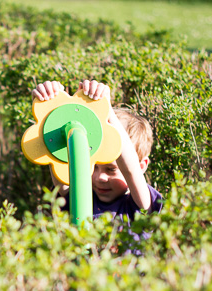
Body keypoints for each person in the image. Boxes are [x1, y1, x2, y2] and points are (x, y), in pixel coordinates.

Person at [31, 79, 163, 228]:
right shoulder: (79, 195)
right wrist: (49, 104)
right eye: (93, 166)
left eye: (111, 169)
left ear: (142, 166)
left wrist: (106, 110)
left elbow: (130, 170)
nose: (99, 177)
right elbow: (58, 161)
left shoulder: (138, 206)